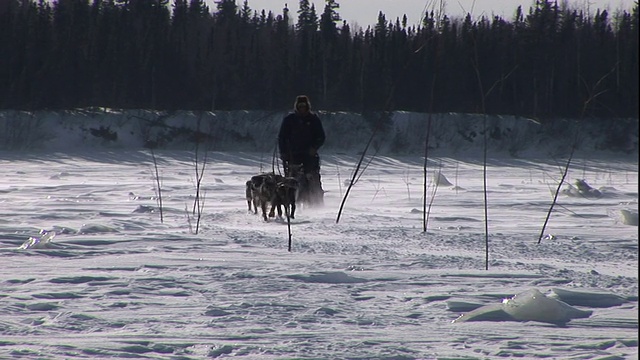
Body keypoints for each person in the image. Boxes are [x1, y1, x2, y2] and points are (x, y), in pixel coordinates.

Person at [278, 95, 326, 206]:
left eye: (304, 106)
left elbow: (321, 137)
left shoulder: (313, 119)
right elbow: (282, 138)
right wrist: (283, 153)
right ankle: (292, 202)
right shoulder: (289, 120)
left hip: (309, 155)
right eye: (300, 106)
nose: (302, 108)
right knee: (292, 181)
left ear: (307, 106)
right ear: (296, 106)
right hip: (292, 155)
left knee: (312, 178)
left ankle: (317, 203)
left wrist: (314, 148)